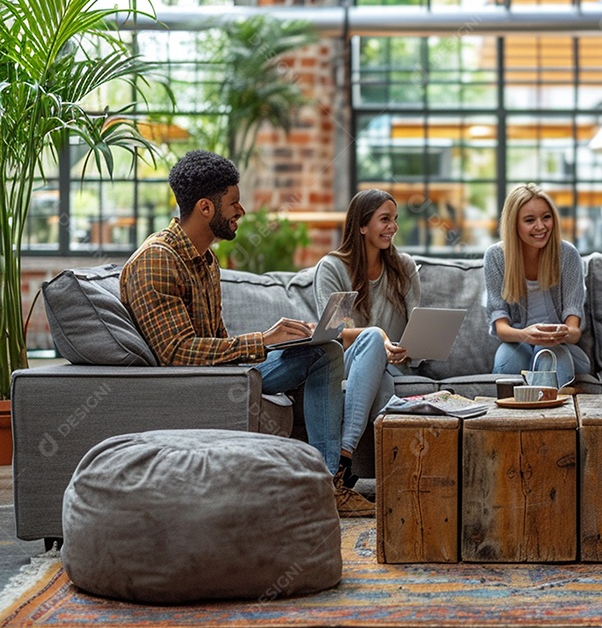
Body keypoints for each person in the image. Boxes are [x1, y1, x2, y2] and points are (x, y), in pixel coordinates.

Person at [119, 149, 370, 517]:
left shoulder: (206, 259)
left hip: (220, 370)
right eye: (234, 203)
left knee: (324, 350)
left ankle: (324, 482)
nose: (241, 211)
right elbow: (175, 352)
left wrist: (281, 342)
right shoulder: (158, 259)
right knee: (321, 352)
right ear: (206, 208)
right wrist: (262, 341)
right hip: (194, 382)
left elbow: (216, 339)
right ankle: (321, 488)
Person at [313, 189, 420, 498]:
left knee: (382, 377)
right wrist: (380, 336)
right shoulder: (332, 268)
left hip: (394, 366)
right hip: (346, 364)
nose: (393, 227)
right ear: (361, 225)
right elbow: (337, 332)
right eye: (384, 219)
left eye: (395, 220)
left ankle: (354, 472)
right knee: (372, 339)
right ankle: (349, 453)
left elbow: (417, 322)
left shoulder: (404, 267)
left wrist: (409, 345)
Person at [484, 184, 590, 387]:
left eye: (546, 217)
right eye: (530, 220)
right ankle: (516, 418)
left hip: (563, 346)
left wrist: (559, 333)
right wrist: (527, 335)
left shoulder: (567, 255)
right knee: (508, 364)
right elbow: (501, 329)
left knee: (550, 356)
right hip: (518, 342)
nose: (541, 226)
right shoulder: (496, 257)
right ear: (514, 224)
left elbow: (575, 332)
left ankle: (553, 418)